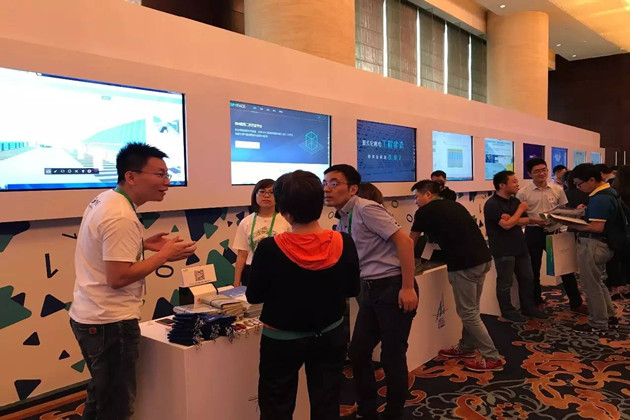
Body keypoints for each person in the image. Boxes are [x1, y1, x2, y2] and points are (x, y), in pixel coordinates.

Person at [69, 142, 197, 420]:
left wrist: (142, 244)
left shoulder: (106, 199)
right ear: (131, 176)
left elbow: (103, 248)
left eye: (167, 175)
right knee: (116, 406)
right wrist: (163, 255)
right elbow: (118, 277)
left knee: (101, 395)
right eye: (160, 175)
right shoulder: (121, 216)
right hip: (109, 322)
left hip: (90, 314)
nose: (167, 182)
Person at [246, 170, 360, 420]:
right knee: (327, 403)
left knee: (276, 407)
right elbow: (353, 290)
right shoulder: (344, 241)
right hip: (330, 334)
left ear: (285, 211)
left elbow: (254, 296)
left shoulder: (268, 248)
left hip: (281, 340)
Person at [323, 164, 418, 420]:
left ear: (353, 189)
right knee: (358, 352)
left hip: (392, 286)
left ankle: (394, 413)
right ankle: (367, 410)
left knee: (392, 355)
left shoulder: (366, 208)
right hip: (370, 289)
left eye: (334, 183)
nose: (327, 189)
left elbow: (405, 242)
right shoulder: (343, 218)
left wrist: (407, 286)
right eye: (325, 183)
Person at [410, 180, 502, 372]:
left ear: (428, 194)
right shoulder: (454, 205)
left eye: (416, 197)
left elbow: (411, 242)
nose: (416, 201)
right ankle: (467, 347)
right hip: (483, 259)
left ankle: (492, 357)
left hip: (464, 265)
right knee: (472, 310)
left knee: (468, 313)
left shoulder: (425, 212)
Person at [516, 158, 586, 314]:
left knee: (565, 268)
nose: (541, 173)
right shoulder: (523, 193)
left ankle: (576, 303)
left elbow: (564, 209)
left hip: (555, 231)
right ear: (530, 174)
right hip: (533, 232)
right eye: (537, 171)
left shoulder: (557, 189)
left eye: (544, 170)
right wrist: (534, 221)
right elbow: (520, 216)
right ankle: (537, 302)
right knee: (533, 269)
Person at [483, 171, 549, 322]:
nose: (517, 184)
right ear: (502, 185)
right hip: (503, 248)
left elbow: (523, 220)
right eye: (513, 181)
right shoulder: (492, 204)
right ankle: (507, 311)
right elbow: (506, 225)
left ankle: (528, 307)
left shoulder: (514, 201)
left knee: (528, 277)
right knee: (505, 282)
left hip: (520, 246)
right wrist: (517, 213)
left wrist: (514, 218)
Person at [562, 163, 620, 334]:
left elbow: (596, 227)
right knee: (598, 282)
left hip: (593, 245)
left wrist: (571, 224)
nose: (578, 188)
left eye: (579, 184)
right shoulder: (609, 192)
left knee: (590, 286)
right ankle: (609, 316)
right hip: (603, 244)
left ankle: (598, 323)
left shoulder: (600, 198)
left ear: (592, 180)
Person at [232, 178, 291, 286]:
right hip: (252, 270)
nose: (266, 196)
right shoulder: (246, 222)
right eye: (262, 192)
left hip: (279, 270)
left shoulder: (287, 220)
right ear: (255, 195)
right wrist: (236, 282)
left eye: (271, 192)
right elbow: (242, 255)